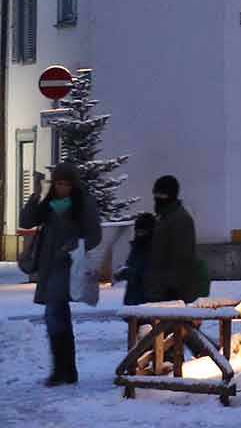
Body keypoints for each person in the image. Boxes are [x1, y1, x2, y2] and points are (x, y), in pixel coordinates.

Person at [20, 164, 102, 385]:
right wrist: (35, 195)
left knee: (53, 314)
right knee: (60, 316)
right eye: (59, 183)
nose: (63, 188)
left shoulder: (83, 203)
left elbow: (94, 235)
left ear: (74, 185)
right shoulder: (49, 204)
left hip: (68, 266)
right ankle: (67, 370)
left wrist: (71, 245)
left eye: (67, 184)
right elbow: (26, 222)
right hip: (49, 266)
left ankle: (60, 370)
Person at [143, 175, 201, 306]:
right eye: (156, 193)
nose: (157, 198)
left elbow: (182, 256)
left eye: (161, 194)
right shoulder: (164, 218)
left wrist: (172, 287)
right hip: (160, 288)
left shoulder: (179, 219)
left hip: (173, 292)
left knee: (175, 326)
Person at [121, 211, 156, 308]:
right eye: (138, 231)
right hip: (134, 298)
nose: (140, 234)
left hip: (147, 299)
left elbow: (146, 271)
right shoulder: (136, 247)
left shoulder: (154, 248)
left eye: (143, 231)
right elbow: (132, 266)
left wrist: (129, 273)